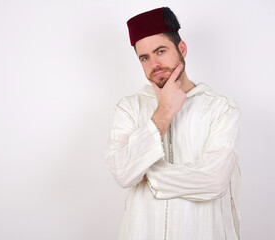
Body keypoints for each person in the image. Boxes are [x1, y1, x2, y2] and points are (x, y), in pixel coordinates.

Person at [105, 7, 241, 240]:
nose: (154, 64)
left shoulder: (220, 108)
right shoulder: (129, 108)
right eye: (144, 57)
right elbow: (122, 174)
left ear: (182, 48)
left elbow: (214, 180)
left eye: (160, 51)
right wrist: (164, 112)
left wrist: (146, 174)